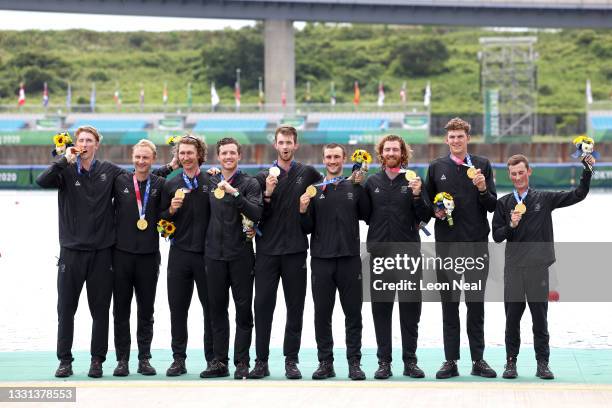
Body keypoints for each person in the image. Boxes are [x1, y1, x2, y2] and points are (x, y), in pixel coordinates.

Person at [492, 154, 594, 380]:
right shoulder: (504, 203)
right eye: (513, 174)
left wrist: (586, 171)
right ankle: (511, 364)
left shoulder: (544, 199)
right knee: (512, 321)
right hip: (514, 270)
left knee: (540, 320)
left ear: (529, 172)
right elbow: (497, 236)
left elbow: (579, 194)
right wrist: (512, 224)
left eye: (521, 172)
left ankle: (543, 364)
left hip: (538, 269)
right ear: (509, 175)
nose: (518, 177)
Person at [36, 126, 125, 378]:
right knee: (65, 310)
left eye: (89, 140)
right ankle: (65, 360)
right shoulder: (64, 170)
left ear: (97, 145)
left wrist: (170, 167)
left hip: (101, 253)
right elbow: (41, 181)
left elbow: (137, 180)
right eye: (81, 140)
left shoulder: (108, 170)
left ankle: (97, 361)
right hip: (71, 252)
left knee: (100, 311)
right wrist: (63, 158)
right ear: (75, 144)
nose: (84, 143)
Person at [425, 117, 498, 379]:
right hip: (446, 246)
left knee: (476, 304)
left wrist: (481, 189)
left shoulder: (482, 166)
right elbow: (426, 205)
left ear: (468, 138)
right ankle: (450, 360)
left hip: (477, 244)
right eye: (452, 137)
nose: (456, 141)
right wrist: (437, 211)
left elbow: (492, 205)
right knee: (449, 304)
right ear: (446, 140)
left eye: (460, 136)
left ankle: (478, 360)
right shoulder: (436, 167)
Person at [249, 126, 322, 379]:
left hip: (295, 251)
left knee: (295, 308)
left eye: (289, 142)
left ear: (296, 145)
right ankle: (261, 361)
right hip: (267, 252)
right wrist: (267, 193)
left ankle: (291, 360)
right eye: (281, 142)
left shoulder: (309, 174)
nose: (285, 146)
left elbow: (325, 201)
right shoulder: (261, 177)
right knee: (263, 307)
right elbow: (255, 215)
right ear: (276, 145)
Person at [299, 143, 370, 380]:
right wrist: (302, 210)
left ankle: (354, 363)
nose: (332, 160)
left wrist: (363, 188)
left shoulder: (354, 186)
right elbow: (306, 228)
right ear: (323, 159)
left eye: (336, 157)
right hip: (321, 260)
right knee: (322, 314)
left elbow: (368, 215)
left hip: (350, 259)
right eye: (328, 157)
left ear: (344, 159)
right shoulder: (315, 189)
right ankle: (325, 363)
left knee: (353, 313)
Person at [365, 134, 431, 379]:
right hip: (380, 254)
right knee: (381, 309)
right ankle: (384, 362)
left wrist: (416, 195)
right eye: (387, 149)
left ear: (403, 153)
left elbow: (425, 215)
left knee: (410, 309)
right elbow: (364, 214)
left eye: (395, 149)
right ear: (381, 153)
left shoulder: (414, 180)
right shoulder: (372, 182)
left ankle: (410, 361)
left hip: (408, 254)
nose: (391, 152)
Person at [111, 139, 177, 377]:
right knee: (120, 310)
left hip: (149, 256)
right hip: (121, 256)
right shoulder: (119, 181)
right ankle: (122, 360)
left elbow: (164, 213)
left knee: (146, 310)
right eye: (138, 157)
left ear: (153, 159)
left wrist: (172, 210)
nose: (141, 161)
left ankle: (144, 359)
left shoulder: (160, 183)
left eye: (146, 157)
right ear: (132, 157)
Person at [200, 138, 262, 379]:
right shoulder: (210, 180)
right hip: (214, 255)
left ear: (239, 156)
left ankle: (242, 362)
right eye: (224, 153)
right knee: (216, 310)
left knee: (243, 310)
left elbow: (256, 213)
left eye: (232, 153)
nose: (228, 156)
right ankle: (219, 361)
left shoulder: (249, 183)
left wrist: (234, 193)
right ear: (218, 156)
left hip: (241, 255)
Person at [159, 135, 213, 377]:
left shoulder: (212, 181)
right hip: (179, 254)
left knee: (211, 310)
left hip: (206, 256)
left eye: (190, 153)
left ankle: (213, 359)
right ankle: (178, 359)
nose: (186, 157)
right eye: (182, 153)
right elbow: (160, 222)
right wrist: (171, 209)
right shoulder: (170, 184)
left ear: (199, 154)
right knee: (177, 309)